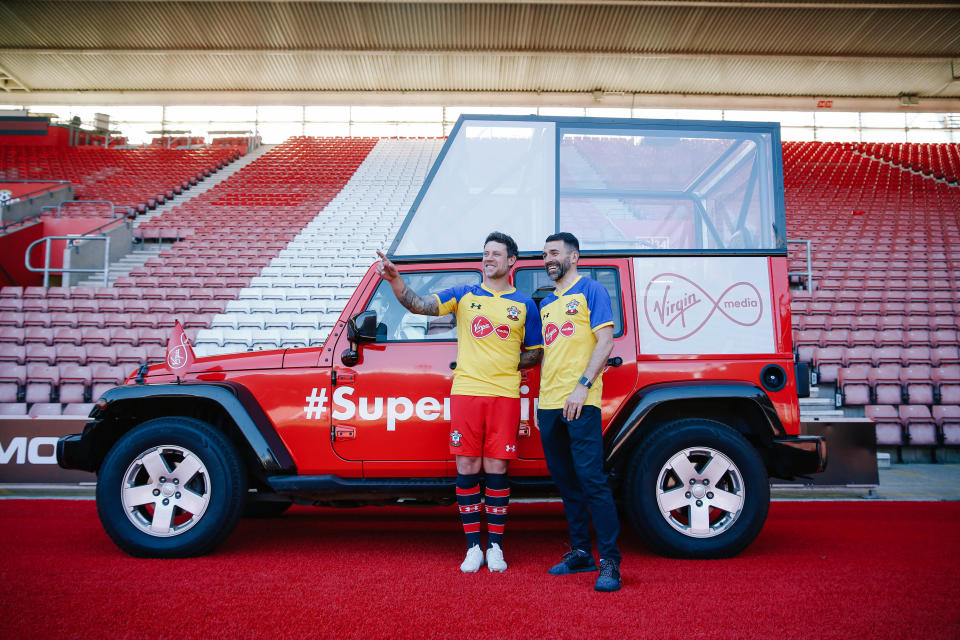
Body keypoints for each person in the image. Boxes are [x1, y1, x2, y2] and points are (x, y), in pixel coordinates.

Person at [376, 232, 542, 573]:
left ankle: (494, 546)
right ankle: (472, 549)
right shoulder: (464, 295)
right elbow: (420, 306)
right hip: (466, 392)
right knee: (466, 467)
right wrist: (395, 280)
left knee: (497, 469)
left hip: (504, 395)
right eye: (486, 253)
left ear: (512, 261)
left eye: (496, 253)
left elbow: (536, 352)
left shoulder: (524, 305)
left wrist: (508, 364)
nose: (489, 258)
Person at [536, 231, 622, 592]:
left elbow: (606, 341)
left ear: (574, 257)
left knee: (591, 480)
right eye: (544, 255)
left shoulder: (592, 291)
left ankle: (611, 563)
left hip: (579, 401)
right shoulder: (546, 303)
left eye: (554, 253)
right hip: (549, 404)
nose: (547, 259)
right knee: (566, 481)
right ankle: (581, 553)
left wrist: (582, 386)